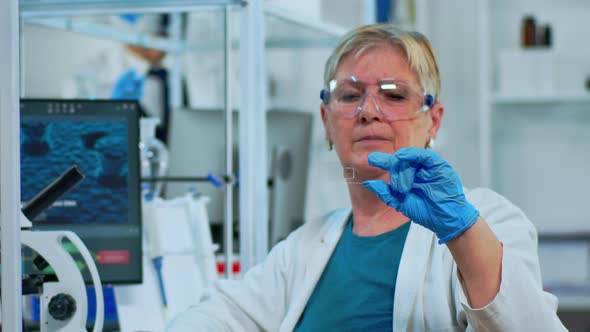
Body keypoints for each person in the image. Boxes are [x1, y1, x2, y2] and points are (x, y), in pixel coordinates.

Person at [166, 24, 566, 331]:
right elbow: (220, 316)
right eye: (349, 94)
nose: (368, 111)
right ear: (326, 120)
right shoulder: (305, 248)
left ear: (433, 120)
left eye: (393, 95)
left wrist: (464, 234)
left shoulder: (488, 219)